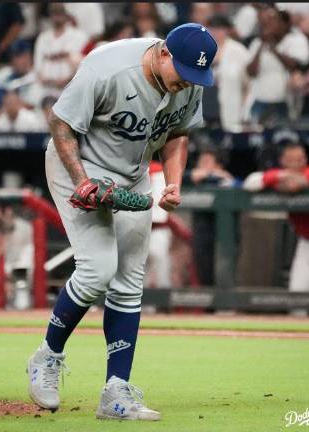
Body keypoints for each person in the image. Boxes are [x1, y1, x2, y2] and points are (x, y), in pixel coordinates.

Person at [26, 23, 217, 421]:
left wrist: (174, 182)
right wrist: (81, 181)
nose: (187, 82)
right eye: (183, 72)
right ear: (164, 53)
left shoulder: (188, 80)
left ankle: (116, 393)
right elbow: (61, 123)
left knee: (130, 281)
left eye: (195, 76)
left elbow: (178, 133)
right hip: (78, 163)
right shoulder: (108, 67)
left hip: (133, 173)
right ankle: (47, 355)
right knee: (97, 269)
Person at [260, 142, 309, 313]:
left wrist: (278, 181)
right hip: (305, 245)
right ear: (283, 161)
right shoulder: (280, 173)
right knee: (296, 301)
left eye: (301, 159)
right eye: (292, 160)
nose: (298, 163)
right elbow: (256, 181)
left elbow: (295, 185)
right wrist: (281, 176)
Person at [245, 7, 309, 125]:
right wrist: (261, 46)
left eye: (273, 21)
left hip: (285, 102)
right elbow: (251, 72)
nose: (268, 25)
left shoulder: (296, 40)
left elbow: (295, 66)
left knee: (284, 133)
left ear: (284, 24)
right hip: (260, 100)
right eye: (266, 22)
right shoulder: (257, 43)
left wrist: (273, 48)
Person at [184, 146, 236, 286]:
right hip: (201, 230)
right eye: (200, 162)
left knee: (224, 267)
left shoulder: (225, 179)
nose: (202, 166)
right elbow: (179, 178)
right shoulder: (191, 178)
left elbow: (240, 185)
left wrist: (221, 177)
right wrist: (194, 175)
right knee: (202, 265)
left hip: (225, 232)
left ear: (218, 166)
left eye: (207, 162)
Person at [33, 3, 89, 100]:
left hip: (72, 88)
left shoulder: (79, 36)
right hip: (46, 90)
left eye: (60, 13)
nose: (57, 16)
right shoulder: (43, 37)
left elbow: (84, 65)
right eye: (54, 13)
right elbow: (37, 65)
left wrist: (69, 79)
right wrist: (45, 79)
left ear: (66, 15)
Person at [207, 15, 250, 130]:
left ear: (227, 30)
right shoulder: (201, 49)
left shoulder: (239, 51)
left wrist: (245, 109)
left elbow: (249, 84)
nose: (216, 32)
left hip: (230, 105)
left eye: (219, 28)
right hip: (205, 105)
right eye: (212, 28)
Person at [146, 161, 171, 289]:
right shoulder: (126, 165)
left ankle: (165, 297)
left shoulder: (157, 169)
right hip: (134, 226)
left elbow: (160, 214)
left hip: (157, 229)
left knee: (159, 259)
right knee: (136, 268)